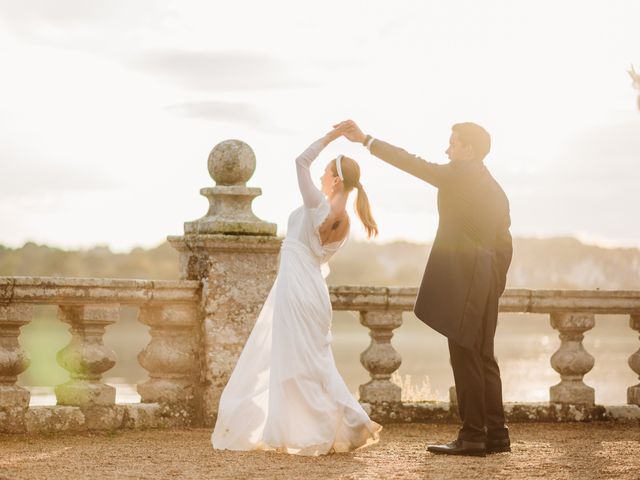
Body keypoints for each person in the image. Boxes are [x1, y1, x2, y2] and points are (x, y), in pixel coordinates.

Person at [335, 119, 513, 457]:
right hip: (487, 279)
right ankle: (497, 435)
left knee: (464, 355)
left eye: (453, 144)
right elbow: (505, 242)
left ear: (469, 151)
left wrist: (367, 140)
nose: (447, 150)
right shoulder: (494, 187)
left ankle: (473, 436)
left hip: (467, 278)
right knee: (484, 355)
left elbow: (410, 162)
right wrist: (494, 283)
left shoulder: (460, 174)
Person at [211, 127, 381, 456]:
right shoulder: (344, 220)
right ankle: (339, 422)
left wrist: (332, 137)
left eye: (326, 171)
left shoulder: (319, 206)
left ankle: (323, 426)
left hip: (297, 291)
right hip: (313, 292)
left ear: (335, 181)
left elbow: (301, 161)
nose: (320, 174)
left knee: (294, 361)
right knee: (312, 362)